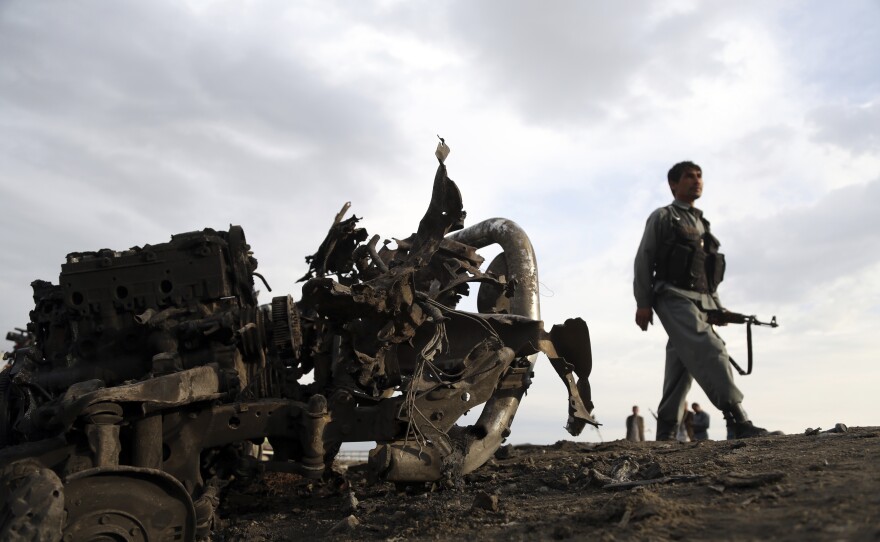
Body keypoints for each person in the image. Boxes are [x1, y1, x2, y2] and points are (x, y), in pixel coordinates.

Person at [633, 161, 771, 440]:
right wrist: (643, 302)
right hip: (672, 296)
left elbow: (706, 273)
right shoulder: (664, 217)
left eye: (699, 176)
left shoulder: (702, 224)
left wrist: (717, 308)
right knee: (710, 348)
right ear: (673, 184)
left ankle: (666, 432)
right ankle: (737, 420)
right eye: (689, 176)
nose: (696, 180)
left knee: (681, 364)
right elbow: (644, 258)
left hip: (700, 301)